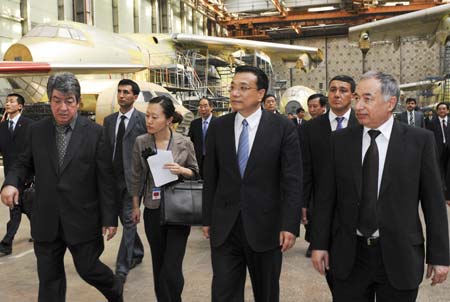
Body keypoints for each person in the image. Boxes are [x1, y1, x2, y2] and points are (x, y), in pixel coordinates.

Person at [311, 71, 449, 302]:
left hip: (400, 254)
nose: (358, 106)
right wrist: (319, 244)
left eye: (367, 98)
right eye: (357, 98)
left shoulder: (419, 141)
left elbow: (434, 203)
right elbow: (326, 198)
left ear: (390, 103)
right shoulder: (339, 142)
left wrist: (440, 256)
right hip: (350, 256)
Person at [0, 73, 123, 302]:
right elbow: (22, 163)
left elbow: (106, 179)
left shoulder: (95, 133)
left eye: (69, 101)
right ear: (50, 100)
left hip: (82, 218)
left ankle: (114, 288)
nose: (63, 107)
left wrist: (109, 218)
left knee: (88, 269)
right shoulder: (37, 131)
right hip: (46, 219)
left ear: (78, 102)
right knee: (49, 281)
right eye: (57, 100)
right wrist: (10, 183)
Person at [202, 66, 302, 302]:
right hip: (226, 226)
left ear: (260, 94)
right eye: (233, 87)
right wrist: (207, 218)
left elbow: (293, 179)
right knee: (223, 293)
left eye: (243, 88)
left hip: (266, 226)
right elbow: (211, 177)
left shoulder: (282, 127)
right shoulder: (219, 127)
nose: (235, 93)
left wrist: (290, 224)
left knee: (266, 293)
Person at [130, 95, 199, 302]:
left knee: (172, 267)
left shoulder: (184, 142)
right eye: (147, 116)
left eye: (155, 117)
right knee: (159, 264)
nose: (149, 121)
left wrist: (182, 170)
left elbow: (196, 173)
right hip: (153, 209)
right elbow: (136, 176)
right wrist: (135, 206)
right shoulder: (141, 142)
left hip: (179, 210)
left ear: (169, 120)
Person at [300, 75, 358, 296]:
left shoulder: (362, 123)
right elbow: (306, 169)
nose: (336, 94)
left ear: (353, 96)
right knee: (330, 268)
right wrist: (303, 202)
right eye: (333, 90)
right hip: (322, 206)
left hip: (357, 207)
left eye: (343, 90)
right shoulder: (311, 128)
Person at [103, 79, 146, 283]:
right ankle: (137, 251)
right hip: (112, 180)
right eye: (119, 91)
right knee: (124, 220)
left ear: (135, 96)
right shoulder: (109, 121)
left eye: (126, 92)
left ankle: (122, 266)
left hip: (132, 181)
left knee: (129, 222)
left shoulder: (143, 120)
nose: (121, 95)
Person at [0, 93, 33, 256]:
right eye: (7, 101)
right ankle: (38, 230)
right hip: (10, 175)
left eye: (12, 101)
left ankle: (6, 243)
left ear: (20, 106)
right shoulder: (3, 126)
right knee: (23, 207)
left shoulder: (30, 125)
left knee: (15, 208)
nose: (8, 103)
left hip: (26, 175)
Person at [188, 97, 215, 178]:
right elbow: (190, 142)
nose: (203, 109)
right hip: (198, 160)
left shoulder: (219, 123)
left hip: (213, 160)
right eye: (200, 106)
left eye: (205, 106)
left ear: (211, 107)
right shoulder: (194, 124)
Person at [429, 102, 450, 179]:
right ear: (437, 111)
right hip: (438, 149)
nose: (442, 111)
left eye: (444, 109)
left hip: (448, 149)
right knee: (439, 169)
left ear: (448, 111)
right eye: (439, 109)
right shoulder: (432, 123)